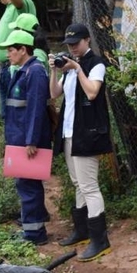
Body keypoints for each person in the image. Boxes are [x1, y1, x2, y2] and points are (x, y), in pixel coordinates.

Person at [48, 23, 113, 261]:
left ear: (87, 40)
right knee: (78, 184)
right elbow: (55, 94)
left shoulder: (96, 64)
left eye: (76, 43)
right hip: (68, 133)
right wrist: (55, 70)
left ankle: (100, 240)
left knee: (89, 186)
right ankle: (83, 231)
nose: (73, 47)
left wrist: (77, 68)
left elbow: (92, 92)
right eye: (69, 44)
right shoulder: (69, 68)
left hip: (88, 134)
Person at [0, 29, 51, 245]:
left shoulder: (35, 71)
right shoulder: (23, 70)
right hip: (18, 137)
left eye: (11, 50)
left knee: (28, 186)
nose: (8, 54)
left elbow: (36, 109)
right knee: (25, 185)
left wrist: (31, 140)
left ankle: (34, 234)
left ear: (23, 50)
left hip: (26, 141)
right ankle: (31, 230)